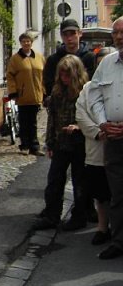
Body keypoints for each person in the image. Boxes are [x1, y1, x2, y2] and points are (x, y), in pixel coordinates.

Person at [32, 55, 89, 231]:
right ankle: (52, 216)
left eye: (67, 75)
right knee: (54, 181)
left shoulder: (85, 92)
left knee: (80, 182)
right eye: (62, 75)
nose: (64, 79)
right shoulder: (57, 92)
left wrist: (79, 127)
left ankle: (79, 217)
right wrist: (49, 143)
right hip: (60, 144)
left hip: (80, 144)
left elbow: (93, 118)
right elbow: (52, 119)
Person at [88, 16, 123, 259]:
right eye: (116, 32)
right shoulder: (107, 63)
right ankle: (119, 241)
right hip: (114, 139)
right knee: (117, 194)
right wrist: (103, 122)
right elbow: (94, 95)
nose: (119, 36)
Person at [75, 47, 115, 246]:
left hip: (118, 144)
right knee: (101, 193)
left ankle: (117, 230)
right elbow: (81, 114)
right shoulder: (88, 88)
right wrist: (99, 132)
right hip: (97, 148)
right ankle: (102, 227)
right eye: (100, 64)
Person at [6, 31, 46, 156]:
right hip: (23, 95)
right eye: (24, 41)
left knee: (33, 122)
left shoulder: (39, 57)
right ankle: (24, 145)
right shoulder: (15, 59)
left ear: (31, 42)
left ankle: (34, 146)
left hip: (36, 94)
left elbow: (44, 75)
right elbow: (10, 76)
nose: (26, 43)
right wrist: (12, 91)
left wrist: (44, 91)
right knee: (24, 122)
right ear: (21, 43)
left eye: (28, 41)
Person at [42, 18, 95, 101]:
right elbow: (48, 84)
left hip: (85, 102)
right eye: (65, 34)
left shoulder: (90, 58)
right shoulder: (53, 60)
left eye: (72, 34)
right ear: (61, 36)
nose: (69, 38)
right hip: (61, 104)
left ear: (80, 33)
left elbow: (93, 82)